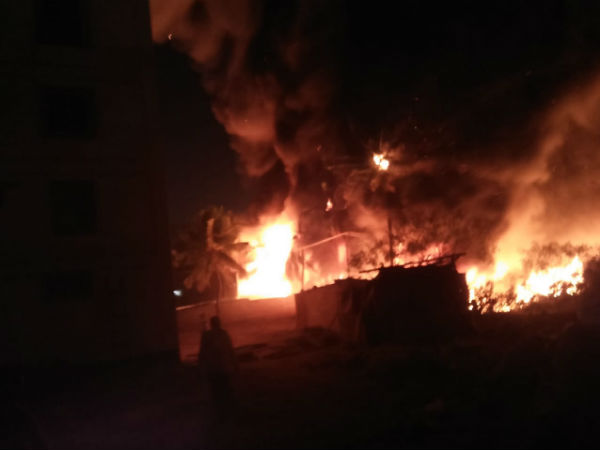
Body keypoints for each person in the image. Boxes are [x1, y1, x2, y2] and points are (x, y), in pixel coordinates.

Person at [198, 315, 237, 417]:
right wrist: (234, 364)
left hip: (213, 369)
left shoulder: (207, 336)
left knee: (216, 391)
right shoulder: (224, 334)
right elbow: (230, 350)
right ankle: (227, 411)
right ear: (219, 323)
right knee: (225, 389)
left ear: (211, 324)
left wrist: (201, 366)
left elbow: (202, 352)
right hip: (224, 368)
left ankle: (220, 411)